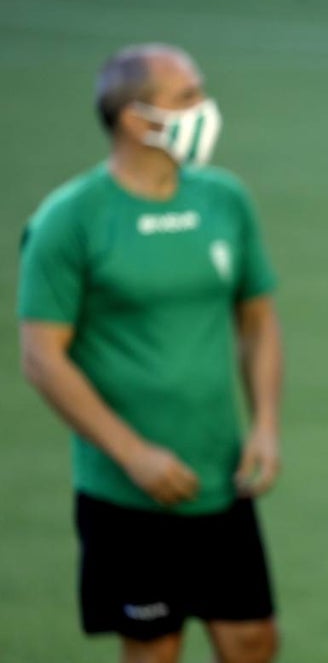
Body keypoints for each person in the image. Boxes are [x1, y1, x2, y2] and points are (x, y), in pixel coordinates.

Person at [18, 43, 282, 663]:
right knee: (155, 649)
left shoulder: (225, 199)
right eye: (187, 96)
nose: (206, 107)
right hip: (126, 492)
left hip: (222, 479)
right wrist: (131, 452)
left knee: (251, 640)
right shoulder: (69, 219)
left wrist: (265, 424)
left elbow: (258, 318)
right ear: (136, 118)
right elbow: (42, 357)